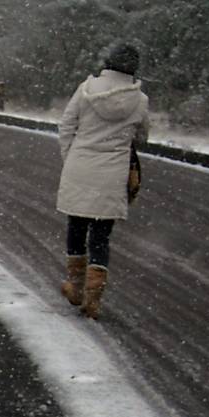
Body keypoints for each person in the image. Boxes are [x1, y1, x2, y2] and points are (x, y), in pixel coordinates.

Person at [56, 43, 150, 320]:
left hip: (80, 166)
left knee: (76, 227)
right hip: (113, 173)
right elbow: (142, 136)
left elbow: (66, 126)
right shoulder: (139, 100)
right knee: (100, 237)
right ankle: (93, 299)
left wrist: (71, 156)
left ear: (107, 62)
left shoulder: (86, 90)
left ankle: (74, 287)